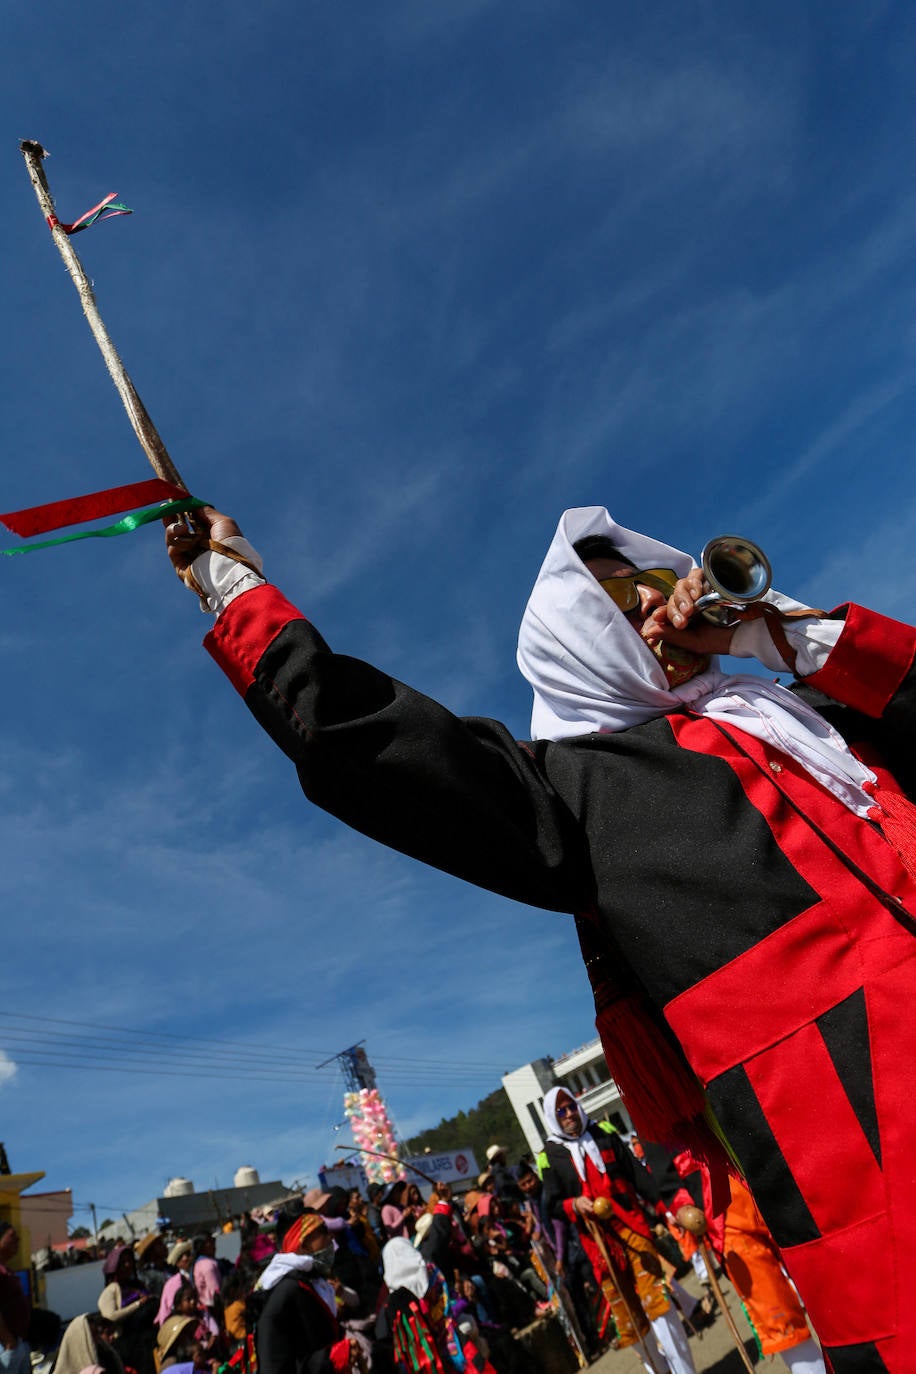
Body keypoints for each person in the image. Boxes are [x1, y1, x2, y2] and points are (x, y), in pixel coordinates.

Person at [167, 504, 916, 1373]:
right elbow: (363, 740)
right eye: (619, 604)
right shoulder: (581, 794)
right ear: (582, 646)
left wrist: (790, 636)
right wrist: (236, 587)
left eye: (655, 583)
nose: (659, 606)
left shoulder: (811, 714)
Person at [540, 1087, 694, 1374]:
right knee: (629, 1319)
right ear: (552, 1117)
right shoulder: (550, 1155)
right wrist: (574, 1203)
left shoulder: (604, 1133)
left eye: (571, 1106)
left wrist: (667, 1208)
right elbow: (551, 1206)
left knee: (658, 1302)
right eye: (561, 1111)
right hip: (598, 1245)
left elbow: (638, 1175)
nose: (570, 1113)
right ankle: (659, 1371)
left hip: (632, 1228)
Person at [254, 1210, 359, 1374]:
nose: (330, 1237)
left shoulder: (312, 1283)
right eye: (323, 1231)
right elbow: (277, 1365)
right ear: (302, 1243)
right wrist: (330, 1359)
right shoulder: (286, 1291)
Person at [98, 1243, 156, 1374]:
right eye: (123, 1262)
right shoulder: (111, 1290)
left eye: (130, 1261)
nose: (128, 1265)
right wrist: (138, 1305)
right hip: (128, 1345)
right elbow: (110, 1317)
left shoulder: (139, 1285)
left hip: (149, 1340)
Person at [0, 1223, 30, 1374]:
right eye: (12, 1236)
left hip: (17, 1343)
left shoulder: (7, 1270)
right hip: (6, 1347)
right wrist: (8, 1342)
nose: (17, 1240)